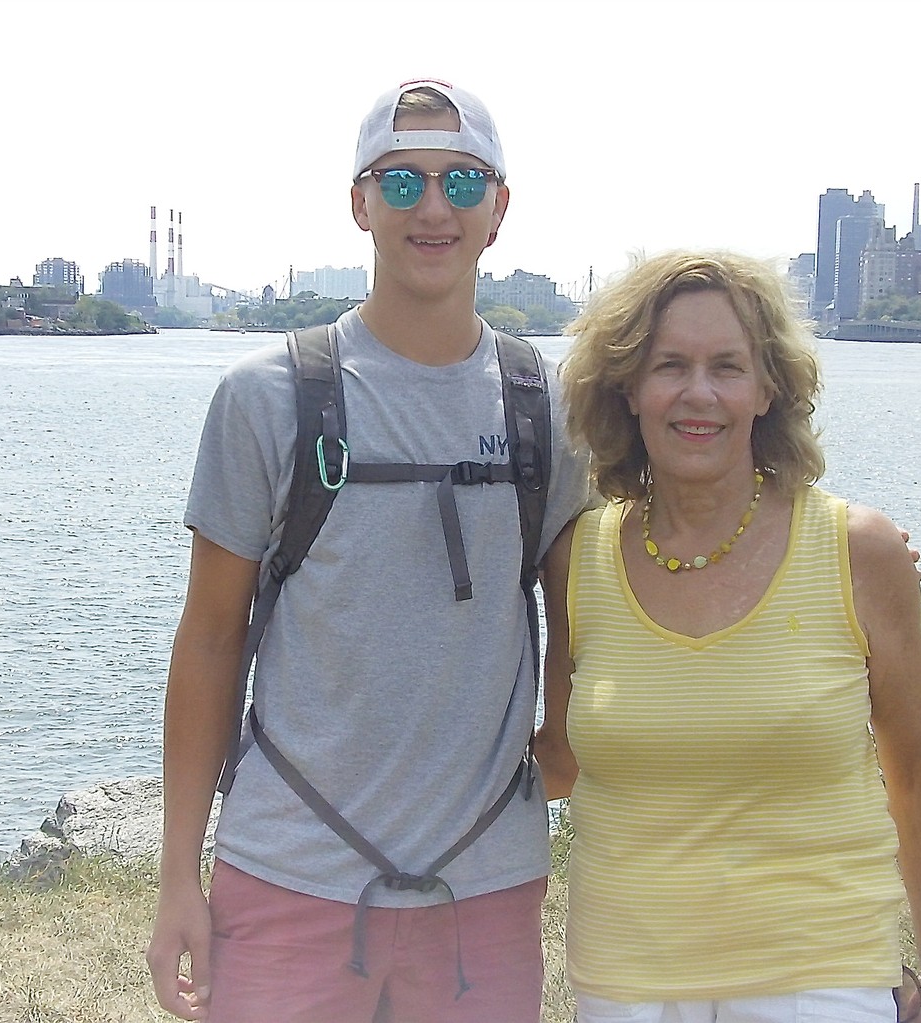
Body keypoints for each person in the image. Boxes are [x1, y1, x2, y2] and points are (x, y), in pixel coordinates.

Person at [145, 79, 589, 1023]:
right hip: (285, 872)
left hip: (487, 886)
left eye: (464, 183)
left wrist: (563, 737)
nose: (434, 208)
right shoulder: (265, 397)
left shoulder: (546, 407)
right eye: (402, 182)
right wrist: (179, 872)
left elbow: (578, 610)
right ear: (359, 202)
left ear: (500, 209)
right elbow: (212, 641)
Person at [534, 251, 921, 1023]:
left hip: (818, 971)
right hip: (624, 978)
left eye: (727, 367)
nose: (699, 393)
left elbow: (919, 776)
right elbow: (559, 764)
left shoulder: (859, 550)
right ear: (628, 386)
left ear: (769, 389)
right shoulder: (577, 559)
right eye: (670, 365)